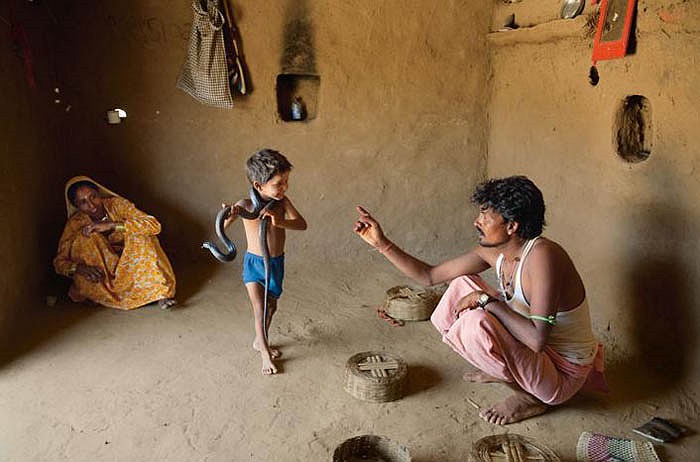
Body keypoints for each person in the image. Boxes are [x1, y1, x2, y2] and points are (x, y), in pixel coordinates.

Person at [353, 176, 607, 425]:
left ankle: (530, 397)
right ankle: (507, 370)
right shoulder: (493, 252)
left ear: (512, 226)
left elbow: (537, 340)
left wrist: (488, 300)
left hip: (562, 373)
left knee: (477, 322)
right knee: (461, 286)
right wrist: (382, 244)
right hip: (534, 354)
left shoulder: (543, 256)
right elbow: (429, 276)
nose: (477, 222)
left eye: (486, 217)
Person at [222, 149, 307, 375]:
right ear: (258, 186)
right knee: (259, 308)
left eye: (286, 181)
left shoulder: (281, 204)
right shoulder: (246, 206)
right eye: (279, 184)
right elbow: (223, 227)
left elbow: (301, 224)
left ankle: (260, 340)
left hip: (276, 263)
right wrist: (228, 215)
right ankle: (264, 353)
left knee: (271, 307)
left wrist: (280, 222)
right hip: (254, 265)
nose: (285, 187)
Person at [54, 176, 177, 310]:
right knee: (84, 238)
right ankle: (127, 295)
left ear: (99, 194)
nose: (91, 205)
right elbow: (59, 262)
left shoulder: (117, 205)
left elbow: (154, 225)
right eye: (83, 202)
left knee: (141, 235)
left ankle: (157, 293)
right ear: (76, 206)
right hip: (102, 278)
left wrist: (113, 225)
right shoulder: (75, 223)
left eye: (93, 197)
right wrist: (78, 268)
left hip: (132, 269)